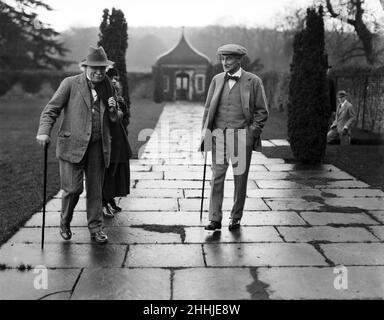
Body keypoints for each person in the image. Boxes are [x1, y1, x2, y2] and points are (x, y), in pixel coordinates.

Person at [36, 46, 123, 243]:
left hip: (98, 147)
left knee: (95, 191)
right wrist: (43, 132)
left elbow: (117, 117)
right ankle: (65, 221)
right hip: (72, 144)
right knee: (73, 189)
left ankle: (96, 228)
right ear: (85, 67)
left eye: (102, 68)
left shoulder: (110, 88)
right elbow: (51, 110)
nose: (99, 72)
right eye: (95, 67)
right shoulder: (70, 84)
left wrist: (112, 111)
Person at [199, 44, 269, 231]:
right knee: (217, 177)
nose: (225, 62)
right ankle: (214, 218)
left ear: (239, 60)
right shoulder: (216, 79)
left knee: (240, 179)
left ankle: (236, 217)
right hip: (218, 135)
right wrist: (206, 132)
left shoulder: (253, 81)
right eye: (222, 58)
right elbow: (208, 109)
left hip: (241, 135)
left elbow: (262, 111)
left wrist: (251, 132)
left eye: (229, 59)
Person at [102, 68, 132, 218]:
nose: (114, 80)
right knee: (107, 169)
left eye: (116, 77)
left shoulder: (117, 95)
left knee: (117, 167)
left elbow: (122, 116)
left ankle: (111, 197)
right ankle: (102, 201)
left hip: (118, 135)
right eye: (111, 77)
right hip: (108, 137)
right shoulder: (103, 94)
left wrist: (120, 106)